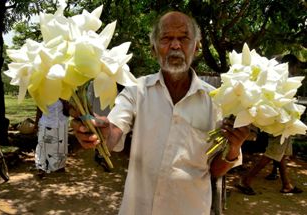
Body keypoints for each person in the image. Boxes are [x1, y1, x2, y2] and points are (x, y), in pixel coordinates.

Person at [71, 11, 250, 215]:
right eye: (166, 38)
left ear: (197, 47)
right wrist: (101, 132)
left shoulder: (218, 101)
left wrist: (234, 147)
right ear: (153, 50)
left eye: (183, 38)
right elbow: (113, 132)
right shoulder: (136, 90)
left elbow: (215, 170)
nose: (175, 45)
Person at [236, 135, 303, 195]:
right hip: (280, 127)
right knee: (270, 154)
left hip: (285, 129)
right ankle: (245, 180)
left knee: (282, 154)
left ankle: (286, 184)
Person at [35, 99, 70, 179]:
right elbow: (39, 109)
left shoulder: (64, 93)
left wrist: (64, 101)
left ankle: (59, 166)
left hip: (61, 123)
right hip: (46, 122)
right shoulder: (43, 94)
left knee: (61, 146)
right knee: (42, 145)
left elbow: (67, 110)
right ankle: (41, 167)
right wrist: (36, 123)